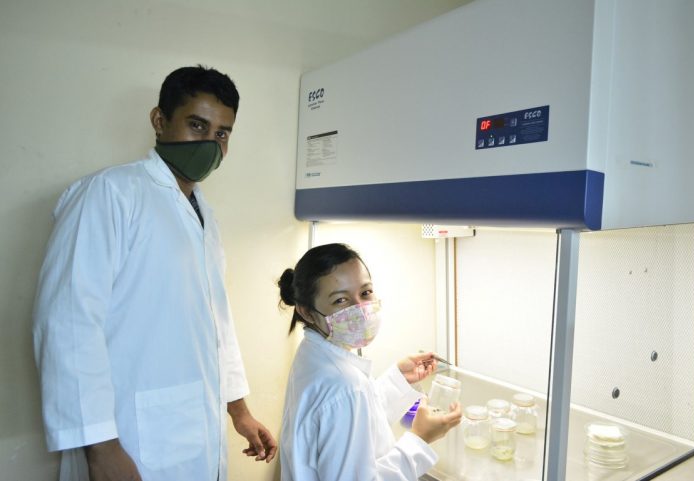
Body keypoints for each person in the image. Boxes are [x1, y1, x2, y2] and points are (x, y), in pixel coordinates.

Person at [32, 65, 277, 481]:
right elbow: (68, 323)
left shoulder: (203, 214)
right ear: (159, 120)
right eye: (197, 125)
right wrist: (102, 449)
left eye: (222, 133)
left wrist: (239, 410)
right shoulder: (109, 193)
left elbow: (215, 323)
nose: (211, 143)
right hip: (128, 436)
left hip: (191, 430)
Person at [277, 243, 462, 480]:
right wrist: (419, 439)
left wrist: (398, 380)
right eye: (341, 300)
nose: (361, 310)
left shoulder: (313, 353)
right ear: (307, 312)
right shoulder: (345, 385)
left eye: (365, 293)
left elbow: (351, 423)